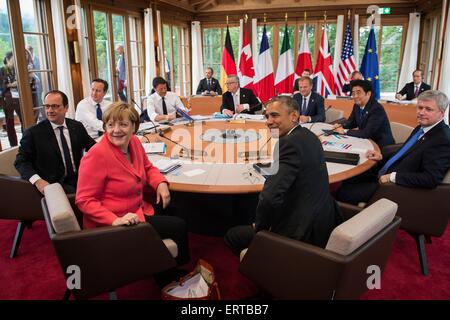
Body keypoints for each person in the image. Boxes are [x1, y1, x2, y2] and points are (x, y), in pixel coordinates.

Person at [75, 101, 190, 266]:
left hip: (138, 208)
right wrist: (115, 220)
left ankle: (166, 266)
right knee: (178, 226)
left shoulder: (134, 142)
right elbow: (84, 200)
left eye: (123, 124)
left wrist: (160, 183)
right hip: (115, 222)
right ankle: (174, 274)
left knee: (182, 209)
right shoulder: (96, 155)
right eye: (111, 125)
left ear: (134, 127)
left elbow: (148, 167)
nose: (116, 130)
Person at [224, 96, 342, 255]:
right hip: (324, 218)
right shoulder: (309, 135)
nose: (268, 121)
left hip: (302, 229)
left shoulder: (288, 143)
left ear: (294, 116)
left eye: (275, 115)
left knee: (232, 236)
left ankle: (264, 267)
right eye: (266, 116)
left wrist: (261, 227)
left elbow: (269, 197)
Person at [337, 90, 450, 204]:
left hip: (394, 187)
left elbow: (430, 178)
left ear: (441, 113)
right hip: (384, 172)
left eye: (428, 109)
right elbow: (407, 151)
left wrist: (392, 177)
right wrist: (381, 157)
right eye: (420, 108)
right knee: (347, 177)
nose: (421, 112)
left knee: (344, 193)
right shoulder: (421, 128)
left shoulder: (442, 139)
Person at [14, 90, 96, 194]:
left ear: (66, 107)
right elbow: (21, 161)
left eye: (55, 106)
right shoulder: (33, 133)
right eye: (47, 106)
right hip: (53, 186)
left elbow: (93, 147)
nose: (50, 110)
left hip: (80, 180)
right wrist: (38, 181)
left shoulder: (76, 126)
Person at [333, 79, 394, 149]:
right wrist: (340, 126)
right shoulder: (357, 105)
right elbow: (352, 122)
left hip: (381, 146)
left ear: (368, 94)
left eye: (358, 93)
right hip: (366, 141)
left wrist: (344, 131)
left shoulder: (376, 109)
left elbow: (366, 133)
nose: (355, 96)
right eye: (353, 93)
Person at [0, 52, 22, 147]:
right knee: (10, 122)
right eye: (13, 59)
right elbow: (2, 85)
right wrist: (11, 84)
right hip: (7, 99)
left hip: (18, 98)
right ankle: (13, 144)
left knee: (23, 119)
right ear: (8, 59)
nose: (15, 61)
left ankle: (25, 140)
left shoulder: (16, 69)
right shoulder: (2, 70)